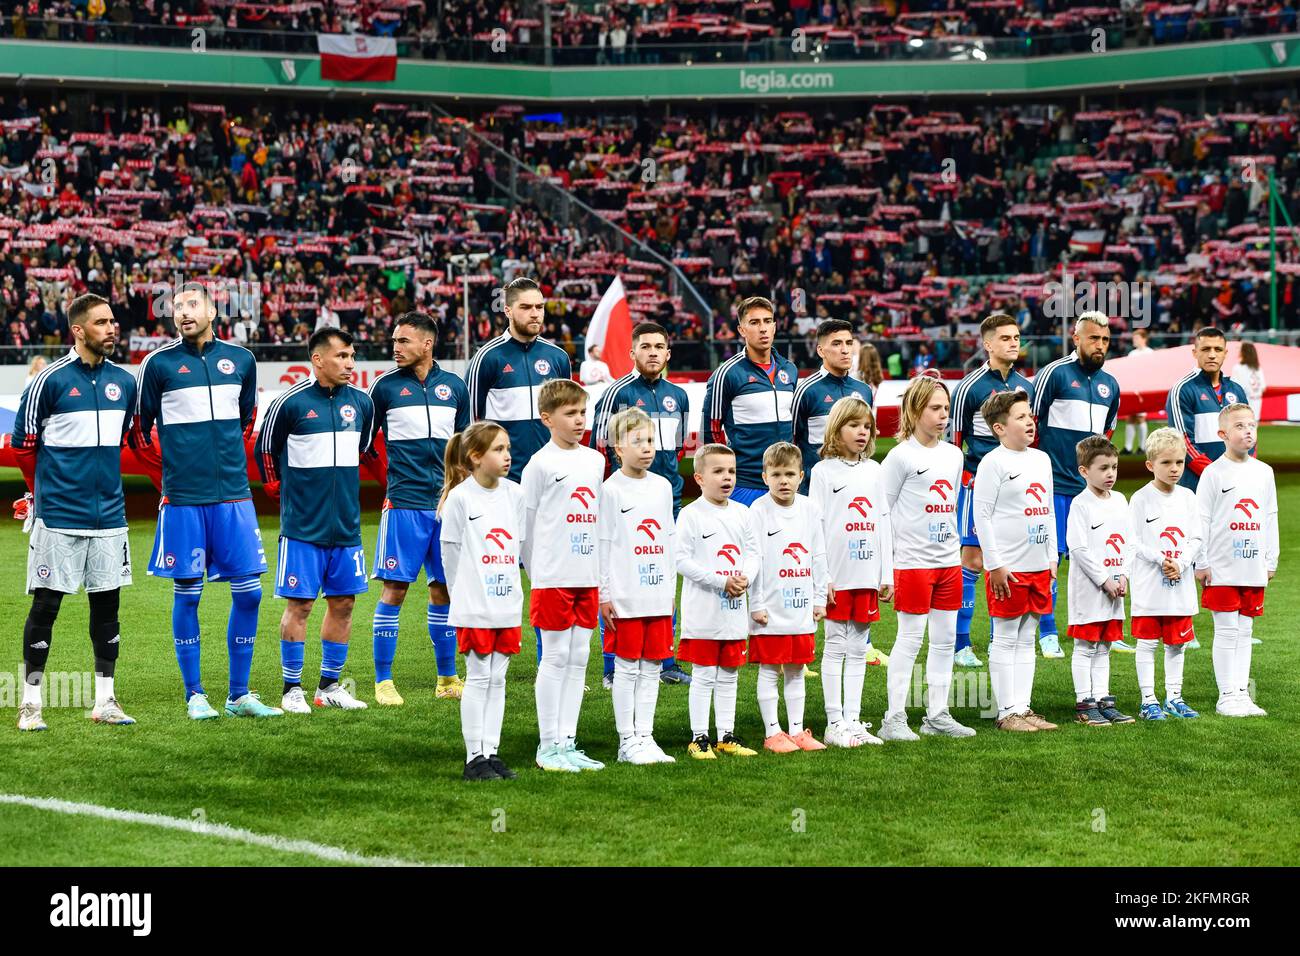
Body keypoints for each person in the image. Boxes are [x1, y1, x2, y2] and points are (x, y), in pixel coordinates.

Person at [133, 283, 277, 720]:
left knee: (250, 594)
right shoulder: (157, 364)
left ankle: (239, 695)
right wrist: (172, 470)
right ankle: (196, 695)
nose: (182, 313)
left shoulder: (243, 360)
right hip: (183, 499)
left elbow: (247, 418)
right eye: (176, 307)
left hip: (234, 495)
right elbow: (140, 432)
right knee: (189, 594)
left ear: (213, 310)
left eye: (192, 304)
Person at [13, 294, 137, 731]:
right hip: (59, 517)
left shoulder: (125, 382)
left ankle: (105, 699)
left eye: (113, 321)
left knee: (108, 609)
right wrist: (40, 495)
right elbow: (23, 447)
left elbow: (126, 438)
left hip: (110, 519)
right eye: (102, 322)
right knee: (46, 607)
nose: (112, 328)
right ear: (79, 330)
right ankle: (30, 702)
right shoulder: (48, 381)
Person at [256, 328, 375, 714]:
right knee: (301, 606)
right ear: (318, 359)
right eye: (342, 356)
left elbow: (365, 447)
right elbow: (264, 450)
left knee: (343, 604)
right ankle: (292, 689)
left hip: (347, 527)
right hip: (302, 528)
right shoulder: (288, 403)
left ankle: (329, 686)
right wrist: (278, 490)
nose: (350, 364)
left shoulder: (361, 404)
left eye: (352, 356)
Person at [366, 312, 470, 706]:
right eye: (395, 340)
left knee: (442, 589)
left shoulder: (454, 388)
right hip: (404, 504)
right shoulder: (384, 389)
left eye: (404, 340)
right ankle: (383, 682)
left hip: (446, 506)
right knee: (394, 590)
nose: (396, 347)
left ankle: (446, 679)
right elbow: (366, 443)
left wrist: (457, 489)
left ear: (427, 344)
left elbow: (463, 446)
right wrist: (390, 479)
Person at [589, 321, 691, 687]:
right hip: (624, 503)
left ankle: (665, 660)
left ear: (667, 353)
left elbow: (678, 449)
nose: (652, 352)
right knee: (620, 580)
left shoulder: (678, 397)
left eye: (658, 346)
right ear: (632, 353)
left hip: (666, 501)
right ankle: (613, 666)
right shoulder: (614, 394)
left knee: (662, 580)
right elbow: (598, 450)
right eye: (645, 346)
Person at [878, 375, 975, 740]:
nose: (943, 416)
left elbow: (949, 507)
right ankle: (894, 718)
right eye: (935, 408)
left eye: (946, 409)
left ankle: (937, 715)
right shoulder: (899, 456)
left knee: (945, 641)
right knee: (909, 639)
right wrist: (885, 569)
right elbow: (881, 514)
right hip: (912, 563)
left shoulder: (953, 454)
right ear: (915, 410)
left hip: (948, 563)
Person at [521, 378, 607, 773]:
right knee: (554, 658)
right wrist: (537, 573)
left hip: (586, 575)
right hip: (553, 577)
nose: (579, 421)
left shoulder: (595, 460)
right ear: (547, 418)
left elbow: (599, 520)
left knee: (579, 658)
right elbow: (527, 525)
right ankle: (547, 746)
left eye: (582, 413)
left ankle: (568, 742)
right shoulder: (539, 464)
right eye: (570, 414)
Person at [1029, 311, 1122, 658]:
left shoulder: (1110, 385)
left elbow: (1106, 436)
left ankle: (1102, 627)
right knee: (1051, 558)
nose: (1100, 345)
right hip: (1054, 485)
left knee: (1099, 557)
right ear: (1076, 337)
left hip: (1091, 491)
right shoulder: (1053, 374)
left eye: (1106, 340)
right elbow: (1032, 425)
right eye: (1094, 338)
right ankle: (1048, 631)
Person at [439, 421, 525, 781]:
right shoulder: (460, 498)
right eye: (498, 450)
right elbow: (450, 554)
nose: (507, 456)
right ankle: (474, 756)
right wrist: (464, 595)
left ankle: (492, 751)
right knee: (478, 676)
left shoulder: (515, 495)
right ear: (475, 457)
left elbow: (517, 547)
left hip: (507, 602)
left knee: (498, 678)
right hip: (475, 605)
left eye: (507, 448)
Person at [948, 312, 1035, 668]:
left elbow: (1030, 436)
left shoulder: (1025, 387)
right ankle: (960, 643)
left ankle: (1012, 634)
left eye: (1016, 337)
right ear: (987, 344)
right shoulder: (969, 387)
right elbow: (954, 443)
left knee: (1014, 558)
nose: (1013, 343)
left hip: (1014, 489)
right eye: (1005, 338)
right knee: (973, 560)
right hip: (975, 483)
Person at [809, 395, 893, 747]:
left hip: (867, 574)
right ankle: (834, 722)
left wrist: (886, 573)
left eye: (867, 426)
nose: (862, 432)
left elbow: (883, 521)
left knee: (860, 647)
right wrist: (822, 576)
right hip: (837, 575)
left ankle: (855, 720)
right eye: (853, 425)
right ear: (836, 429)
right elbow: (816, 525)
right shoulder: (823, 472)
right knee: (836, 645)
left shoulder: (875, 470)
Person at [972, 390, 1058, 733]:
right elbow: (983, 515)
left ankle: (1023, 707)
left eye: (1029, 415)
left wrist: (1051, 556)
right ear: (999, 428)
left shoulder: (1041, 460)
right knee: (1005, 638)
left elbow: (1048, 510)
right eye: (1020, 417)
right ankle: (1005, 712)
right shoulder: (993, 462)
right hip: (1009, 568)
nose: (1029, 422)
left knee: (1027, 638)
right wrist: (995, 564)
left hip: (1039, 565)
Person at [596, 407, 677, 765]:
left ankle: (645, 736)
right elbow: (602, 543)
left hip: (657, 595)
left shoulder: (661, 487)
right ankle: (626, 740)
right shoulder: (610, 490)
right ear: (617, 447)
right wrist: (604, 594)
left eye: (650, 440)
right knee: (627, 667)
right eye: (637, 441)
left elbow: (668, 540)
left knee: (652, 668)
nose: (646, 448)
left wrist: (670, 590)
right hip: (625, 596)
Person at [675, 444, 760, 759]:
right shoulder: (690, 515)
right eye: (718, 471)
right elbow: (680, 560)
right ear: (699, 477)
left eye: (732, 471)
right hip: (704, 613)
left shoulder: (743, 513)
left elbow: (753, 553)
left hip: (735, 611)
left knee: (729, 673)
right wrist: (720, 581)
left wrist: (745, 578)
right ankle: (699, 737)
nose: (727, 478)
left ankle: (726, 734)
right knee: (704, 673)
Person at [1195, 404, 1278, 717]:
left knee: (1245, 631)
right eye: (1240, 426)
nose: (1248, 431)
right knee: (1227, 630)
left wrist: (1272, 558)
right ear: (1222, 434)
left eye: (1252, 425)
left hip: (1253, 565)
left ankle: (1242, 693)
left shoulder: (1264, 472)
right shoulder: (1214, 473)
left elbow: (1270, 515)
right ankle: (1226, 695)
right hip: (1222, 566)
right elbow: (1201, 519)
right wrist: (1200, 561)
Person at [747, 442, 829, 754]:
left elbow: (818, 556)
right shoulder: (758, 510)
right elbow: (753, 559)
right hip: (770, 608)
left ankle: (797, 731)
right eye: (777, 474)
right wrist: (756, 605)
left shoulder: (810, 509)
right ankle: (772, 732)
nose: (784, 480)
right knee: (770, 669)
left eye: (790, 474)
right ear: (765, 476)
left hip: (801, 606)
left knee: (796, 669)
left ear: (801, 476)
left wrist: (819, 597)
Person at [465, 276, 572, 483]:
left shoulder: (558, 357)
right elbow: (468, 422)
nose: (535, 314)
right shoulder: (486, 358)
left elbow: (565, 418)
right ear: (508, 311)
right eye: (525, 307)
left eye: (539, 307)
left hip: (552, 477)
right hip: (504, 479)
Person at [1129, 427, 1202, 721]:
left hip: (1180, 583)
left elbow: (1197, 538)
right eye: (1166, 463)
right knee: (1147, 643)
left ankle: (1175, 697)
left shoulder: (1188, 497)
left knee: (1177, 643)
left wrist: (1181, 563)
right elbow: (1132, 541)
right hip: (1149, 586)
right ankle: (1148, 700)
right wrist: (1161, 559)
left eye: (1179, 463)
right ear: (1150, 465)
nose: (1174, 469)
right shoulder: (1140, 499)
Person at [1065, 437, 1135, 726]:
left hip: (1115, 587)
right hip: (1090, 590)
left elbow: (1130, 542)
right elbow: (1078, 548)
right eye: (1103, 468)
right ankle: (1085, 702)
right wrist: (1104, 578)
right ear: (1084, 471)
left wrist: (1124, 575)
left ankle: (1103, 699)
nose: (1110, 474)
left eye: (1114, 467)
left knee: (1105, 644)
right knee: (1085, 645)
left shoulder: (1120, 500)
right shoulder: (1081, 505)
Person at [702, 296, 798, 506]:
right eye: (754, 323)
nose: (762, 328)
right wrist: (724, 473)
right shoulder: (726, 374)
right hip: (746, 485)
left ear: (774, 326)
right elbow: (711, 430)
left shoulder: (789, 370)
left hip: (784, 484)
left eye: (767, 321)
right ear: (741, 330)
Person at [792, 319, 875, 493]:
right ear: (821, 351)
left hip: (855, 489)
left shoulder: (864, 391)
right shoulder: (806, 391)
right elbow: (792, 441)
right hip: (814, 491)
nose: (845, 350)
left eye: (849, 343)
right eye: (837, 344)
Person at [1165, 326, 1250, 492]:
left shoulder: (1236, 390)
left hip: (1235, 482)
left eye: (1217, 349)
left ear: (1225, 353)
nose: (1212, 354)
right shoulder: (1182, 389)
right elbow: (1183, 442)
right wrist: (1216, 475)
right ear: (1195, 353)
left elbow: (1249, 436)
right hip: (1197, 485)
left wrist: (1244, 468)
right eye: (1205, 349)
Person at [1122, 327, 1153, 454]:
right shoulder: (1132, 354)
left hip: (1144, 388)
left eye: (1137, 338)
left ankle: (1142, 447)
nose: (1134, 340)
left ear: (1144, 339)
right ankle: (1128, 448)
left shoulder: (1150, 353)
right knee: (1130, 417)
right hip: (1133, 388)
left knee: (1140, 417)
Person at [1228, 341, 1265, 418]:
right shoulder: (1258, 369)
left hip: (1244, 404)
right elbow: (1263, 387)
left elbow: (1234, 388)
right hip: (1256, 402)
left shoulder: (1238, 368)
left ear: (1243, 352)